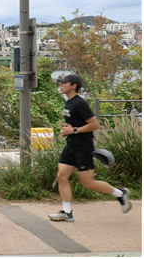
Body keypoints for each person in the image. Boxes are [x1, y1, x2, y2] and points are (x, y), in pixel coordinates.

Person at [48, 74, 132, 223]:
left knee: (87, 183)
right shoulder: (69, 103)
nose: (60, 85)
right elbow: (75, 125)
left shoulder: (80, 104)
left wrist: (74, 130)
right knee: (61, 176)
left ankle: (121, 194)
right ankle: (67, 213)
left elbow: (94, 125)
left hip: (83, 148)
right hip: (71, 146)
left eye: (64, 83)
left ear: (73, 85)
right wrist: (68, 131)